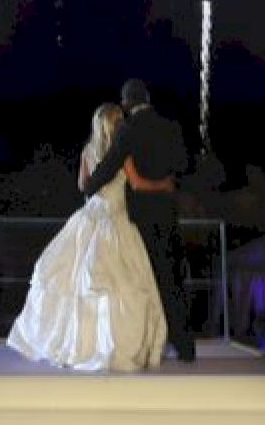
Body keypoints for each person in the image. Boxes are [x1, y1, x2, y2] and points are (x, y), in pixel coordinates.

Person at [5, 100, 176, 372]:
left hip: (89, 217)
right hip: (115, 219)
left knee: (78, 282)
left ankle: (77, 345)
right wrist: (164, 184)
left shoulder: (87, 151)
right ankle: (111, 345)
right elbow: (137, 184)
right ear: (115, 125)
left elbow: (82, 185)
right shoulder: (122, 153)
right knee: (120, 283)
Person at [81, 79, 194, 362]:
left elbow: (110, 165)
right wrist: (167, 180)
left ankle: (145, 341)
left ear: (127, 103)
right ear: (148, 98)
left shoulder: (128, 129)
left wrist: (89, 186)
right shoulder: (171, 126)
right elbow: (183, 164)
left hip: (141, 215)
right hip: (167, 210)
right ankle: (185, 346)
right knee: (172, 277)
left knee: (146, 278)